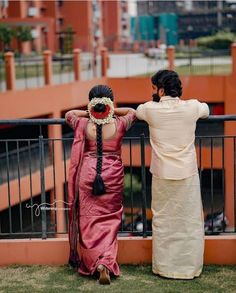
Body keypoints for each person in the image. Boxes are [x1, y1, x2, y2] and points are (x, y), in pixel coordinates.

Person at [136, 70, 209, 279]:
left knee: (164, 220)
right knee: (190, 221)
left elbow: (137, 111)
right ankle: (189, 269)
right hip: (187, 173)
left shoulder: (150, 110)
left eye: (153, 88)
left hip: (162, 174)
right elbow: (207, 110)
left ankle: (164, 268)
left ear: (160, 89)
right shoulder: (192, 107)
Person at [65, 84, 136, 285]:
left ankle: (94, 264)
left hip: (87, 174)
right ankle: (106, 262)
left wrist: (90, 110)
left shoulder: (81, 123)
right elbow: (134, 112)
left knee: (88, 221)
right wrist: (112, 109)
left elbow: (69, 114)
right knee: (111, 220)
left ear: (91, 103)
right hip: (112, 175)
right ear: (110, 102)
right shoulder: (121, 123)